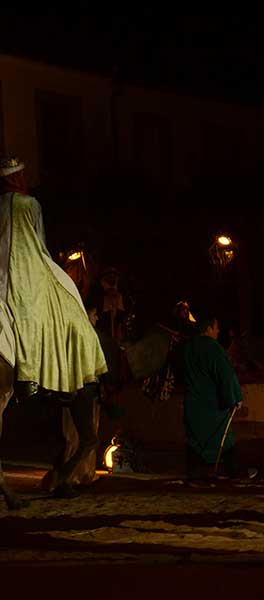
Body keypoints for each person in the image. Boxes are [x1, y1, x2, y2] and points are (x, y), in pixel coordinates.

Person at [0, 155, 108, 498]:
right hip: (25, 267)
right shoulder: (29, 204)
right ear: (18, 179)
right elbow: (38, 242)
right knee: (67, 307)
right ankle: (37, 374)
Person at [178, 315, 254, 485]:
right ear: (209, 328)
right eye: (216, 327)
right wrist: (235, 398)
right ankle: (234, 471)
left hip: (193, 404)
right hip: (212, 405)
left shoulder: (188, 347)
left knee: (195, 440)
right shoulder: (213, 348)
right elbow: (226, 375)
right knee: (223, 438)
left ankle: (195, 474)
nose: (218, 331)